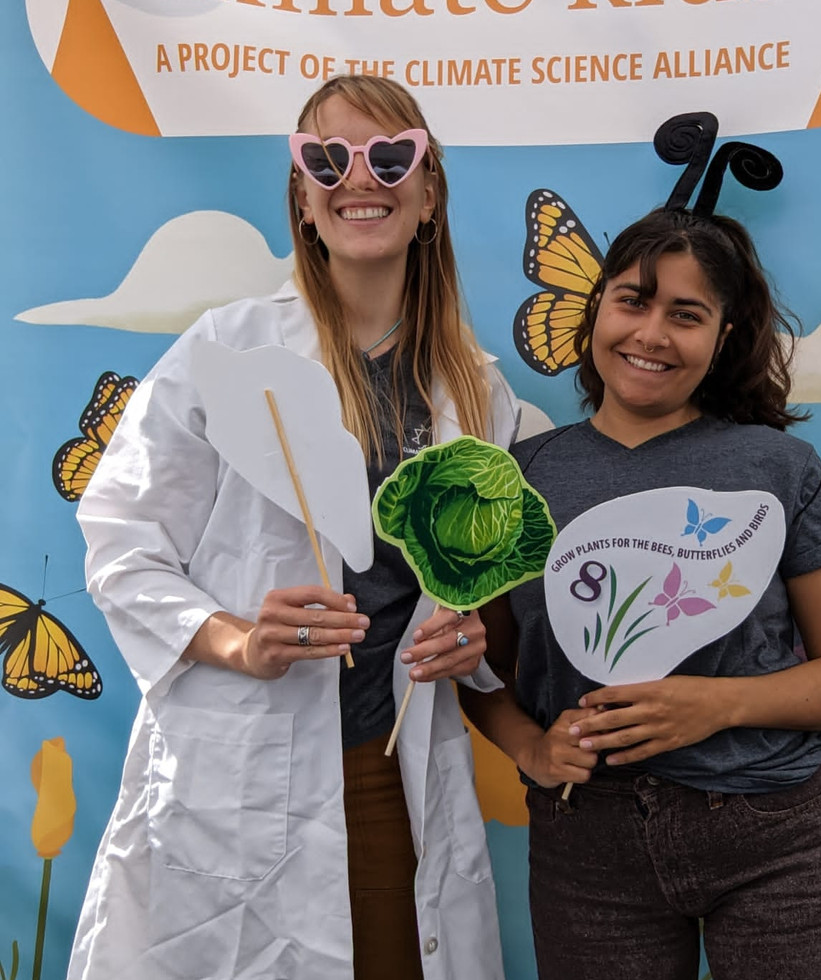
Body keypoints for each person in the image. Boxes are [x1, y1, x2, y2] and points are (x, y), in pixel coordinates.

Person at [68, 74, 517, 980]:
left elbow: (497, 600)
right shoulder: (224, 355)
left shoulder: (479, 391)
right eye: (327, 159)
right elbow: (120, 540)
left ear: (429, 195)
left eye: (393, 157)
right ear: (303, 200)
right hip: (236, 771)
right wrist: (240, 640)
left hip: (397, 781)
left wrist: (474, 641)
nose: (362, 178)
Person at [460, 207, 821, 980]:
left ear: (724, 336)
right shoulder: (517, 481)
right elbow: (483, 670)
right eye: (632, 301)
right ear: (596, 310)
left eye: (685, 315)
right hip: (586, 845)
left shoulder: (780, 470)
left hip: (774, 838)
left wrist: (714, 704)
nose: (651, 334)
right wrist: (532, 749)